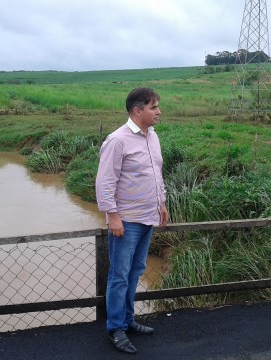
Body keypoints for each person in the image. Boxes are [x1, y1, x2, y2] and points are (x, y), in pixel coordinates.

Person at [95, 87, 169, 354]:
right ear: (138, 111)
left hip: (148, 217)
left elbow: (156, 173)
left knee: (135, 272)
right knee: (119, 276)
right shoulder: (118, 140)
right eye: (154, 107)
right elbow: (105, 182)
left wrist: (161, 202)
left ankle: (127, 320)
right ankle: (116, 328)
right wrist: (112, 215)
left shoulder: (153, 137)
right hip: (126, 222)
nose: (159, 112)